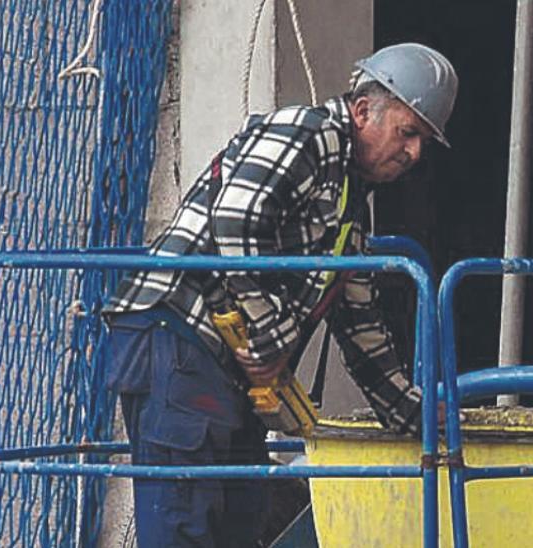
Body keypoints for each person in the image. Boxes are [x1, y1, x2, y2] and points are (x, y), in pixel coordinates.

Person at [102, 43, 458, 546]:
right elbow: (236, 221)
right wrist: (269, 341)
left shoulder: (351, 206)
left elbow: (358, 323)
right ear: (362, 111)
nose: (414, 153)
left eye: (423, 140)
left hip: (221, 365)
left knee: (240, 518)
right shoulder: (306, 133)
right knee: (184, 521)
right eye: (407, 132)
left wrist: (413, 413)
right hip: (176, 334)